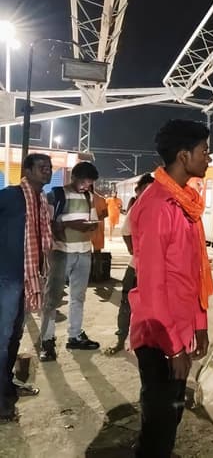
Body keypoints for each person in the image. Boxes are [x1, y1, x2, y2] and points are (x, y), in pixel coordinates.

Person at [128, 120, 213, 457]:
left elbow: (193, 271)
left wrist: (200, 323)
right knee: (160, 422)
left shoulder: (184, 203)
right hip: (159, 337)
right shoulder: (157, 206)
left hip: (181, 328)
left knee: (172, 413)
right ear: (183, 155)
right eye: (204, 151)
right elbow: (152, 287)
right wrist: (175, 349)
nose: (208, 158)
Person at [0, 154, 53, 421]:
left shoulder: (41, 201)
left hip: (27, 279)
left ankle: (7, 386)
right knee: (2, 338)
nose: (47, 171)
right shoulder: (10, 196)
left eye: (49, 168)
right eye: (42, 167)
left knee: (14, 337)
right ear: (28, 171)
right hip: (7, 277)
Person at [39, 161, 101, 361]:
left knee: (78, 297)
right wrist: (72, 224)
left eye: (89, 183)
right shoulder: (56, 195)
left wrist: (90, 226)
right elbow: (48, 224)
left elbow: (92, 220)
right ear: (73, 177)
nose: (86, 186)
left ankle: (74, 335)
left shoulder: (88, 196)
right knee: (52, 298)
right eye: (83, 182)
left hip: (84, 252)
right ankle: (47, 341)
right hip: (61, 253)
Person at [104, 173, 155, 356]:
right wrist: (133, 250)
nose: (148, 193)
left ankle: (144, 340)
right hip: (137, 267)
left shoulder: (155, 208)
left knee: (144, 306)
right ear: (138, 191)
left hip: (151, 269)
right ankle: (122, 338)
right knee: (127, 303)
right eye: (145, 190)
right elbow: (126, 232)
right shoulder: (138, 208)